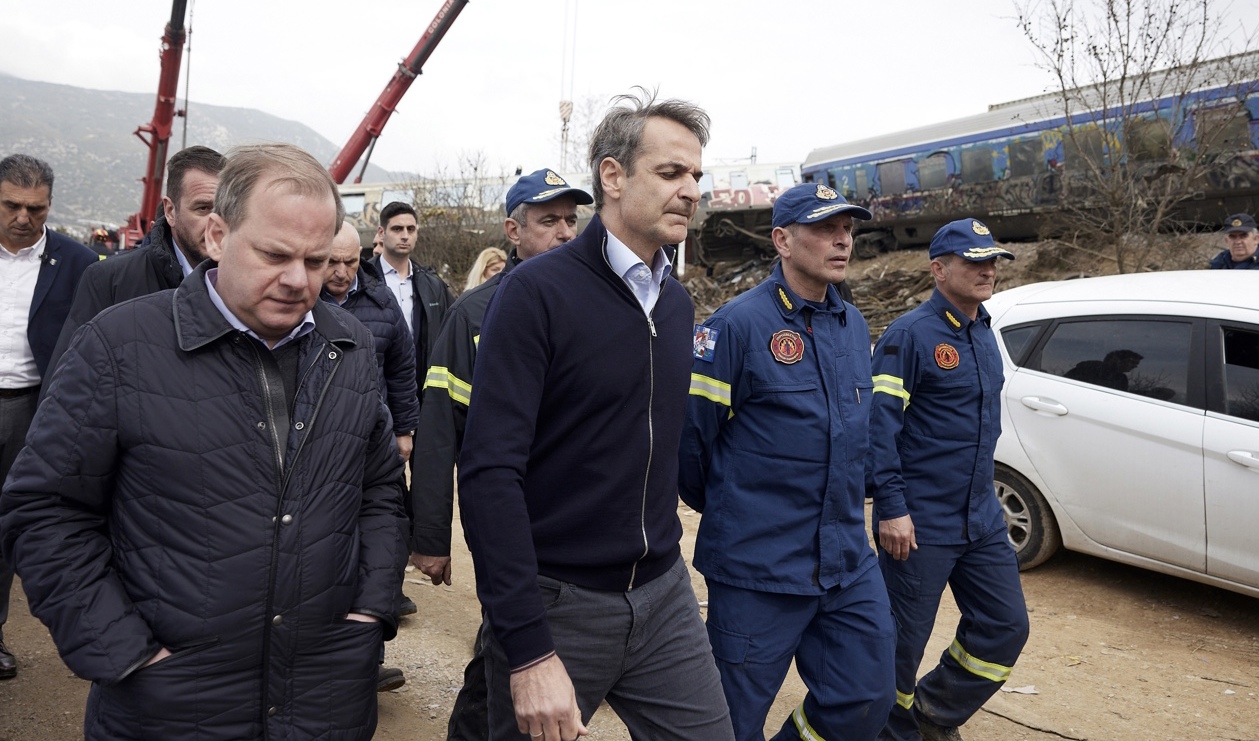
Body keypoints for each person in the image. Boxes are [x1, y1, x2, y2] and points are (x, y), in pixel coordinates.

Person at [0, 143, 409, 739]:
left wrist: (369, 610)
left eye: (317, 261)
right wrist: (126, 652)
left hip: (324, 702)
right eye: (275, 254)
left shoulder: (349, 345)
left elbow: (376, 491)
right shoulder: (120, 344)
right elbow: (45, 510)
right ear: (216, 236)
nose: (299, 281)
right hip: (167, 707)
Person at [456, 90, 734, 741]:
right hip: (558, 604)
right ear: (612, 176)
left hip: (663, 595)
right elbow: (489, 472)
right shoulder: (535, 294)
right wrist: (526, 650)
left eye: (696, 174)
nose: (690, 190)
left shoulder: (675, 305)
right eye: (670, 173)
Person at [679, 182, 897, 741]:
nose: (842, 240)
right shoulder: (735, 326)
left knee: (867, 697)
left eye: (847, 229)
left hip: (846, 560)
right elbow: (692, 446)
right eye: (826, 229)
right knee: (729, 719)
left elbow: (861, 431)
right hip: (760, 567)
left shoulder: (851, 323)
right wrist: (740, 508)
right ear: (782, 239)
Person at [409, 168, 591, 741]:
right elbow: (440, 430)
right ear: (514, 230)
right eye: (548, 222)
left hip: (581, 523)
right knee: (512, 646)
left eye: (571, 220)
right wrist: (431, 538)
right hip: (513, 523)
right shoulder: (474, 315)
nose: (564, 232)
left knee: (503, 649)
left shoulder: (597, 302)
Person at [868, 218, 1030, 741]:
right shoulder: (910, 336)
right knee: (899, 647)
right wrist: (891, 507)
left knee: (1005, 627)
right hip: (920, 523)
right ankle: (892, 734)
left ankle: (934, 714)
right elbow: (878, 430)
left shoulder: (985, 331)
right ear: (939, 270)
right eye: (973, 261)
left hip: (980, 519)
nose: (987, 271)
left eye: (992, 261)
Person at [0, 153, 98, 681]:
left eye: (35, 209)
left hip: (31, 410)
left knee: (9, 528)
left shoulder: (76, 263)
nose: (23, 218)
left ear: (49, 207)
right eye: (12, 205)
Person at [322, 221, 420, 693]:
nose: (341, 273)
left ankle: (368, 656)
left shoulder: (381, 303)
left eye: (349, 262)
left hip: (372, 448)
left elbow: (403, 368)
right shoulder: (302, 300)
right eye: (331, 262)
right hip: (318, 450)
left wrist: (405, 430)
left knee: (379, 544)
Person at [45, 145, 226, 382]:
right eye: (203, 208)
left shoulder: (249, 286)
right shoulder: (109, 282)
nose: (216, 224)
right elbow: (69, 386)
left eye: (225, 210)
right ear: (170, 211)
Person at [370, 200, 454, 618]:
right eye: (397, 228)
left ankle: (399, 581)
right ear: (381, 233)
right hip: (374, 404)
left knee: (423, 494)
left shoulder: (432, 286)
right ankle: (381, 586)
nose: (405, 235)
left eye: (411, 228)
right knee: (384, 496)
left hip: (423, 403)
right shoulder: (363, 281)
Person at [1064, 349, 1142, 391]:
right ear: (1116, 360)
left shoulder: (1121, 379)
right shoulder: (1085, 370)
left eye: (1136, 364)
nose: (1134, 366)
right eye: (1132, 362)